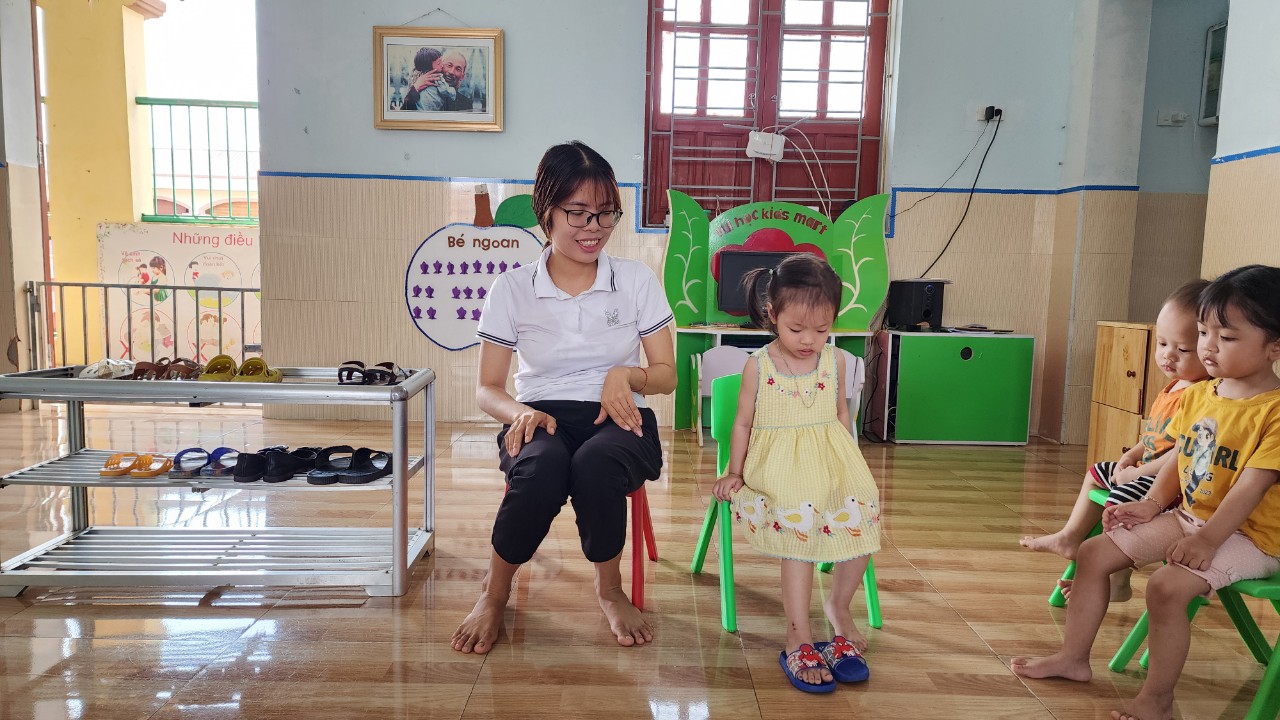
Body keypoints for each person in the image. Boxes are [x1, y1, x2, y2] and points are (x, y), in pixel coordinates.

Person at [1011, 264, 1280, 720]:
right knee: (1093, 553)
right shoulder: (1201, 395)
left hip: (1250, 537)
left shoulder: (1274, 411)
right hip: (1192, 520)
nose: (1208, 346)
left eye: (1227, 337)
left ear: (1275, 346)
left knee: (1166, 586)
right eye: (1203, 333)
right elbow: (1180, 458)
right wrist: (1152, 503)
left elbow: (1251, 487)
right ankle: (1073, 659)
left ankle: (1157, 700)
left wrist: (1206, 540)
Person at [451, 141, 676, 655]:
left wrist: (626, 375)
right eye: (578, 212)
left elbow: (666, 377)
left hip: (620, 419)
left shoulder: (635, 280)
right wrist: (520, 412)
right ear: (546, 211)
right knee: (541, 469)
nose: (594, 227)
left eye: (606, 213)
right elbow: (487, 388)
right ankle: (494, 595)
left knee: (597, 464)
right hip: (540, 416)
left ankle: (610, 590)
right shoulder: (512, 288)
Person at [711, 253, 881, 694]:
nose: (810, 340)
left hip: (829, 458)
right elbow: (743, 423)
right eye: (797, 329)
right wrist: (734, 471)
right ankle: (798, 635)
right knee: (800, 521)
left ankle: (839, 607)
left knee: (862, 512)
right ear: (773, 314)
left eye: (822, 330)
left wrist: (849, 464)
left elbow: (840, 414)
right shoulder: (759, 365)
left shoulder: (836, 361)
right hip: (778, 467)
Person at [1020, 279, 1210, 601]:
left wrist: (1137, 473)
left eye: (1183, 349)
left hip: (1170, 483)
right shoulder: (1174, 386)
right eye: (1162, 343)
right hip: (1145, 469)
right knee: (1097, 473)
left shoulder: (1201, 395)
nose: (1168, 355)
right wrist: (1131, 455)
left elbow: (1181, 454)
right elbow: (1155, 434)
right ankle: (1070, 537)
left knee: (1121, 502)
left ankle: (1118, 580)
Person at [403, 48, 471, 112]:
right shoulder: (416, 92)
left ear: (462, 76)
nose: (451, 72)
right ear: (441, 65)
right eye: (449, 65)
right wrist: (416, 88)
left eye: (458, 69)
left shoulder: (466, 104)